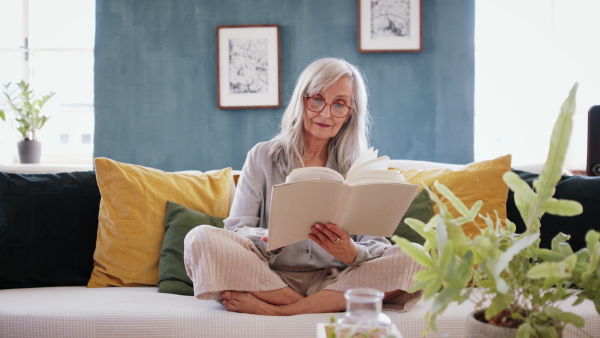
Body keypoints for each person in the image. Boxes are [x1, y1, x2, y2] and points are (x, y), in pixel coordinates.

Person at [184, 57, 423, 316]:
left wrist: (352, 252)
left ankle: (282, 310)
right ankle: (304, 304)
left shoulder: (360, 168)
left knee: (417, 256)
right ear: (302, 100)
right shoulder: (263, 156)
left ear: (350, 113)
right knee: (200, 238)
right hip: (269, 278)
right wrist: (271, 241)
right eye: (317, 100)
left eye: (339, 105)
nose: (326, 114)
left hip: (337, 281)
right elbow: (236, 230)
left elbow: (377, 245)